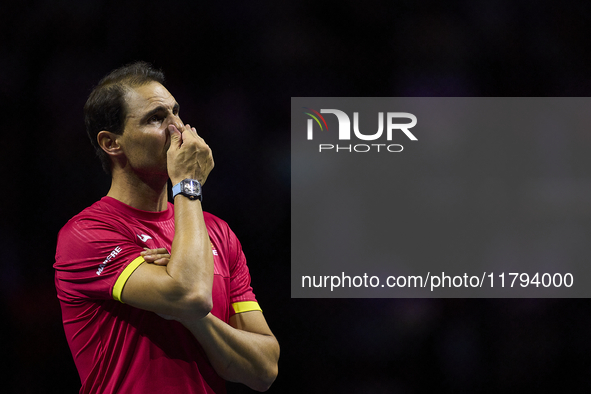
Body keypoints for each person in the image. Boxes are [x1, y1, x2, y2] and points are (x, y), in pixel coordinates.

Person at [54, 61, 279, 394]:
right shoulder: (87, 234)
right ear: (112, 143)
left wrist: (192, 317)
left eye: (176, 113)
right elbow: (190, 294)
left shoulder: (217, 233)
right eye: (156, 118)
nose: (179, 130)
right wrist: (188, 183)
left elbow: (263, 369)